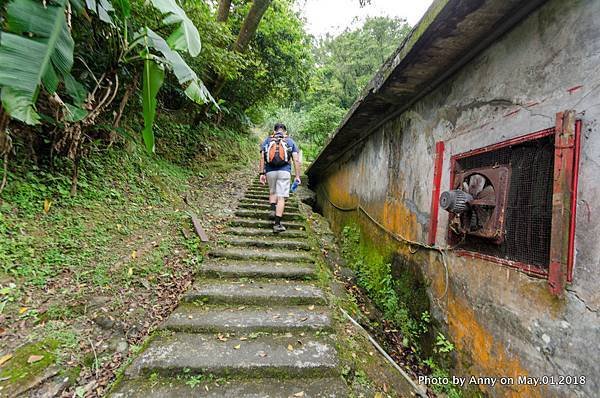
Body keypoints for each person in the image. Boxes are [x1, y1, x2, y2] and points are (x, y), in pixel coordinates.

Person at [259, 123, 301, 233]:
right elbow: (296, 160)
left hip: (270, 171)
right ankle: (277, 224)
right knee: (281, 197)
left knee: (273, 192)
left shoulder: (268, 140)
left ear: (274, 131)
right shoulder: (290, 141)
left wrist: (261, 174)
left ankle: (273, 210)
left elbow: (262, 157)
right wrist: (297, 176)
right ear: (285, 132)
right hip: (284, 172)